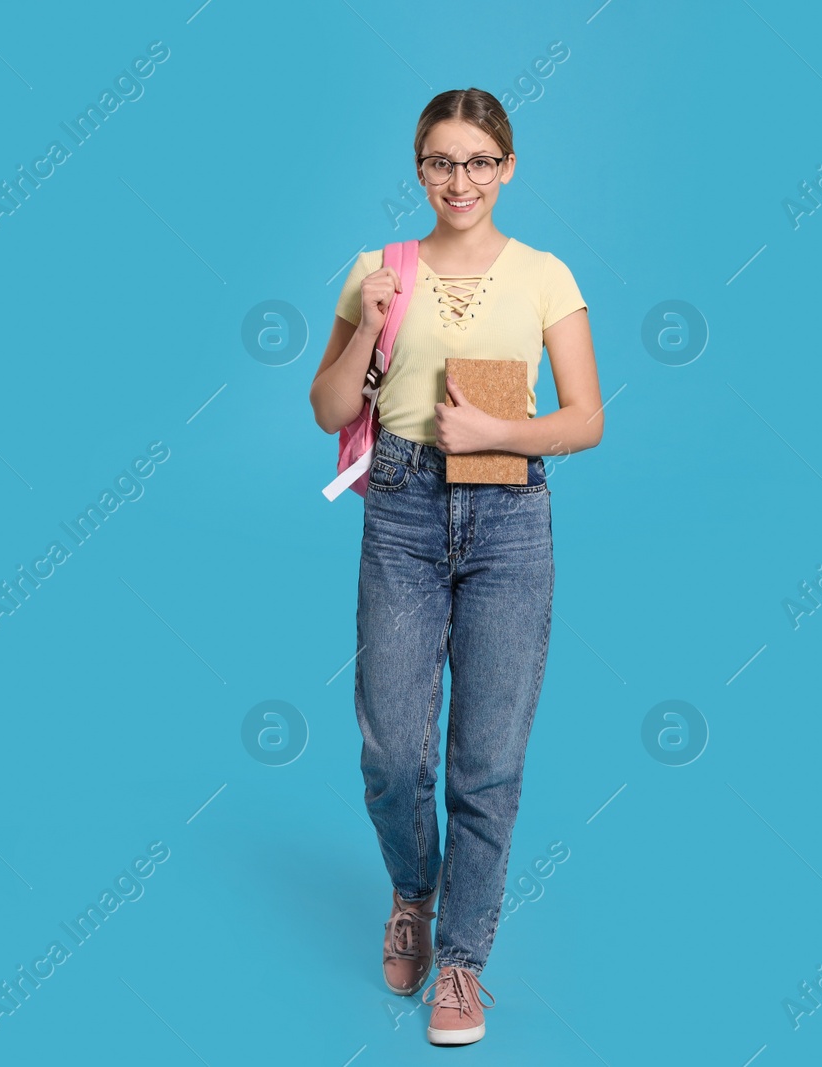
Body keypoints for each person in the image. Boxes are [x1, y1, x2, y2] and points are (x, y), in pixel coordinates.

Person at [308, 87, 603, 1046]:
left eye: (480, 161)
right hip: (399, 510)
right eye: (442, 161)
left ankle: (463, 962)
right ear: (419, 168)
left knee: (488, 761)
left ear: (508, 167)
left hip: (511, 517)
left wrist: (499, 432)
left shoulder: (546, 276)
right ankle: (411, 891)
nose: (461, 180)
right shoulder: (377, 268)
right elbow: (324, 407)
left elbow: (587, 418)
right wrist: (365, 323)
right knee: (392, 751)